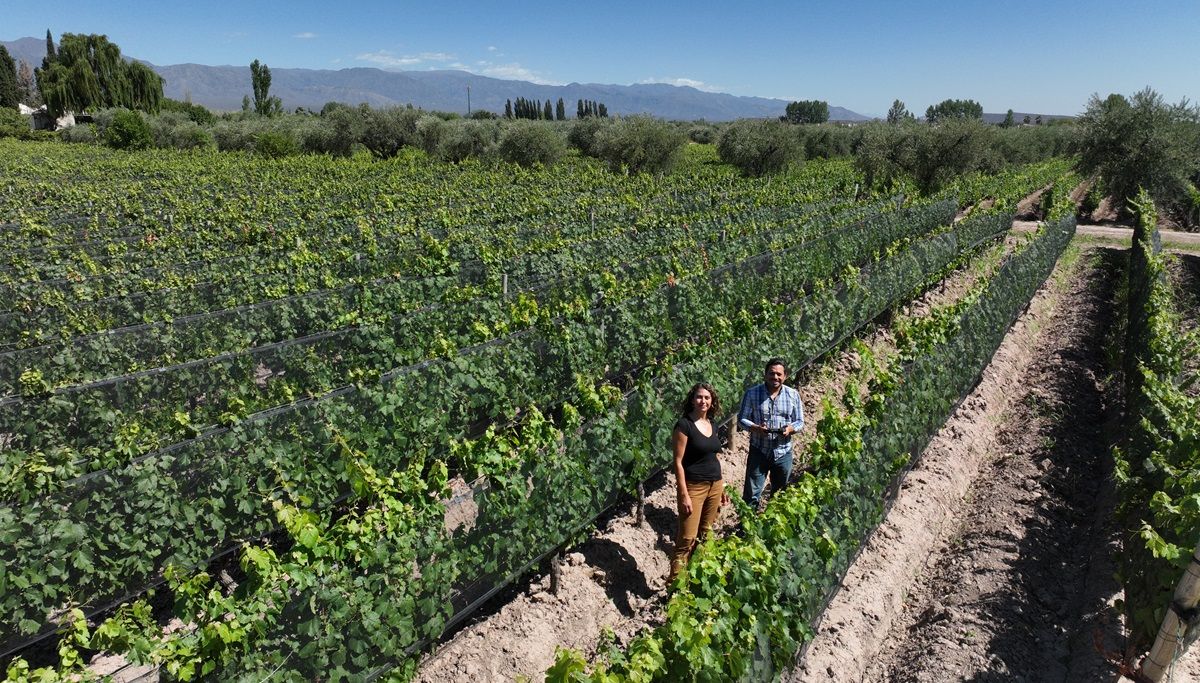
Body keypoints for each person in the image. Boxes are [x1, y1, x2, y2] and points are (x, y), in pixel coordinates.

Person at [668, 382, 727, 583]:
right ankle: (675, 587)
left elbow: (713, 456)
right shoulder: (684, 425)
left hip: (715, 485)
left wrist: (722, 486)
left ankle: (694, 579)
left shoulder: (713, 424)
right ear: (692, 400)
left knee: (706, 535)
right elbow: (677, 461)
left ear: (712, 402)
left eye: (707, 398)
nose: (703, 401)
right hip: (694, 487)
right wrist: (683, 493)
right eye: (699, 397)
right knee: (686, 539)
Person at [739, 358, 804, 511]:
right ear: (765, 375)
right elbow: (742, 419)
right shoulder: (752, 393)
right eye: (771, 373)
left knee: (780, 494)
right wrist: (756, 428)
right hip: (759, 450)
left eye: (778, 374)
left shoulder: (793, 395)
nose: (775, 377)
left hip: (783, 452)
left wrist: (789, 429)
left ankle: (773, 525)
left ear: (785, 376)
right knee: (751, 494)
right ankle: (746, 528)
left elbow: (800, 421)